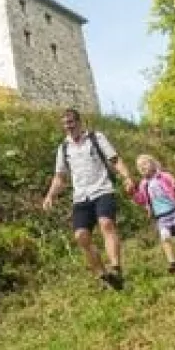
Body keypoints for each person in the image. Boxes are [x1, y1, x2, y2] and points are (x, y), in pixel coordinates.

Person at [42, 107, 134, 289]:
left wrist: (127, 177)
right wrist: (50, 196)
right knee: (80, 236)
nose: (68, 127)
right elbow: (60, 177)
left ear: (79, 122)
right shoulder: (64, 148)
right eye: (65, 124)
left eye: (71, 122)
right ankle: (103, 275)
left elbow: (115, 159)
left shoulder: (96, 138)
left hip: (102, 189)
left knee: (106, 224)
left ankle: (116, 268)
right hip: (81, 197)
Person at [131, 154, 175, 273]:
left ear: (153, 164)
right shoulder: (143, 184)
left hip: (174, 211)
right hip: (160, 216)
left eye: (145, 163)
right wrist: (133, 194)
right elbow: (142, 200)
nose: (142, 167)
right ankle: (173, 263)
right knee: (165, 237)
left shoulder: (163, 176)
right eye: (139, 166)